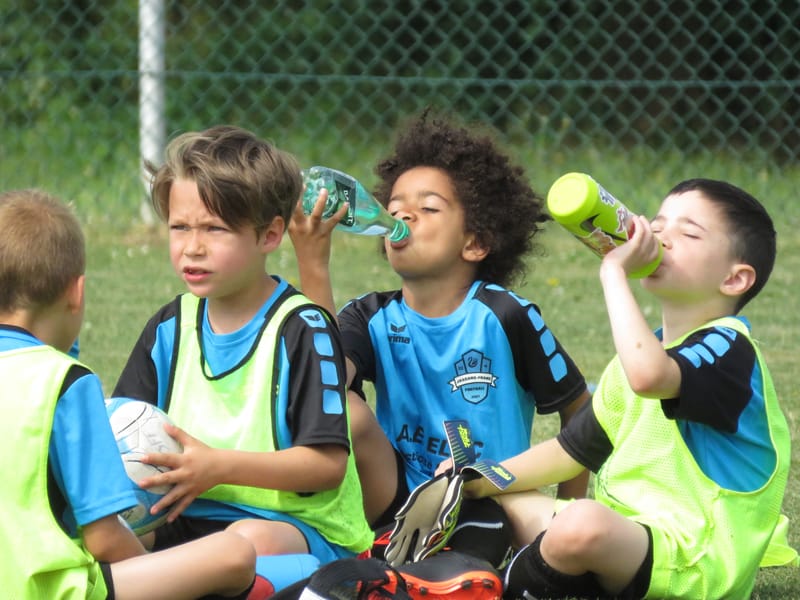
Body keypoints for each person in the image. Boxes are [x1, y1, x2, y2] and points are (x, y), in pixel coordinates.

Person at [289, 110, 591, 569]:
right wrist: (314, 263)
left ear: (475, 243)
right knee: (345, 408)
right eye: (393, 210)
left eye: (428, 208)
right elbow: (322, 388)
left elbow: (577, 408)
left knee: (472, 556)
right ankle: (368, 546)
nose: (403, 215)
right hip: (389, 497)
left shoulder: (504, 316)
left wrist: (566, 511)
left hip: (484, 497)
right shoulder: (369, 316)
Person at [464, 178, 791, 599]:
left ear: (734, 279)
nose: (659, 237)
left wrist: (614, 272)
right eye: (657, 224)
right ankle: (442, 575)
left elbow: (650, 377)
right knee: (498, 503)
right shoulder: (639, 357)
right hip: (622, 544)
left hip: (691, 564)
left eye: (688, 232)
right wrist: (480, 479)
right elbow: (570, 452)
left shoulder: (729, 349)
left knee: (581, 523)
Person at [112, 126, 373, 575]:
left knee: (248, 544)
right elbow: (124, 426)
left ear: (270, 236)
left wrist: (217, 468)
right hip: (184, 515)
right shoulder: (169, 327)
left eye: (214, 229)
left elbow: (326, 465)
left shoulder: (303, 329)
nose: (192, 247)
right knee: (103, 531)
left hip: (294, 528)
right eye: (180, 227)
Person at [0, 189, 257, 599]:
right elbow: (103, 539)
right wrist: (159, 575)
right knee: (232, 554)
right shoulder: (64, 381)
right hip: (45, 590)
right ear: (76, 292)